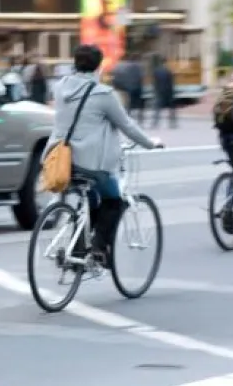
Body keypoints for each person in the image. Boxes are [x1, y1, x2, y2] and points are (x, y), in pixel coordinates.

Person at [46, 44, 162, 265]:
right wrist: (150, 143)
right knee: (114, 200)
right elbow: (127, 126)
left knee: (90, 200)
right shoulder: (103, 95)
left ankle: (79, 250)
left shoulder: (60, 88)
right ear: (99, 66)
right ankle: (98, 248)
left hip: (60, 158)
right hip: (89, 162)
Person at [150, 53, 177, 129]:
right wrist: (172, 92)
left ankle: (155, 123)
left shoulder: (156, 71)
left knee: (157, 108)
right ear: (165, 62)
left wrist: (155, 91)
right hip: (168, 92)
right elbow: (171, 83)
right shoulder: (169, 71)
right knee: (171, 108)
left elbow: (154, 83)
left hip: (159, 91)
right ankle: (172, 123)